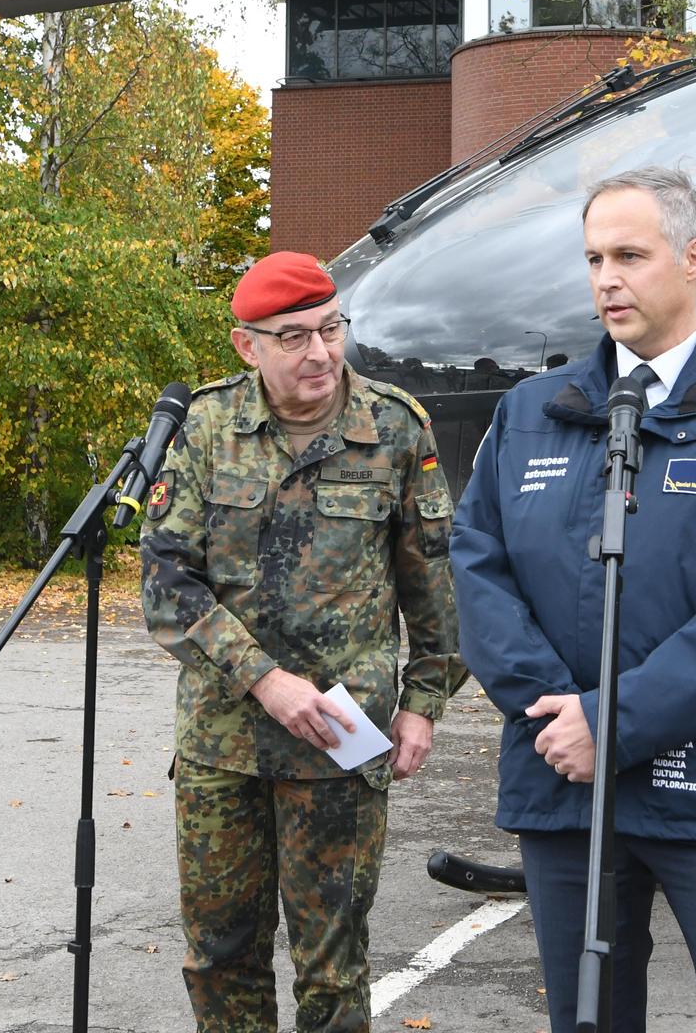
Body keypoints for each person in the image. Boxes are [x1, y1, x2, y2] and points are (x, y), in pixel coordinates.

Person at [453, 166, 696, 1032]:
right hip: (565, 783)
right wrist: (560, 718)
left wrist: (614, 722)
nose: (606, 280)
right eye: (593, 259)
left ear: (695, 258)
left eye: (629, 255)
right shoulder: (531, 414)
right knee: (587, 1019)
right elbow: (478, 569)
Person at [141, 250, 466, 1033]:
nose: (319, 352)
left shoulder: (394, 425)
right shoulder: (207, 427)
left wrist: (424, 702)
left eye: (330, 329)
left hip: (341, 742)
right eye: (293, 337)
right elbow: (166, 584)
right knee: (221, 955)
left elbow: (435, 579)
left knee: (332, 967)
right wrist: (265, 680)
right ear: (246, 346)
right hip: (224, 744)